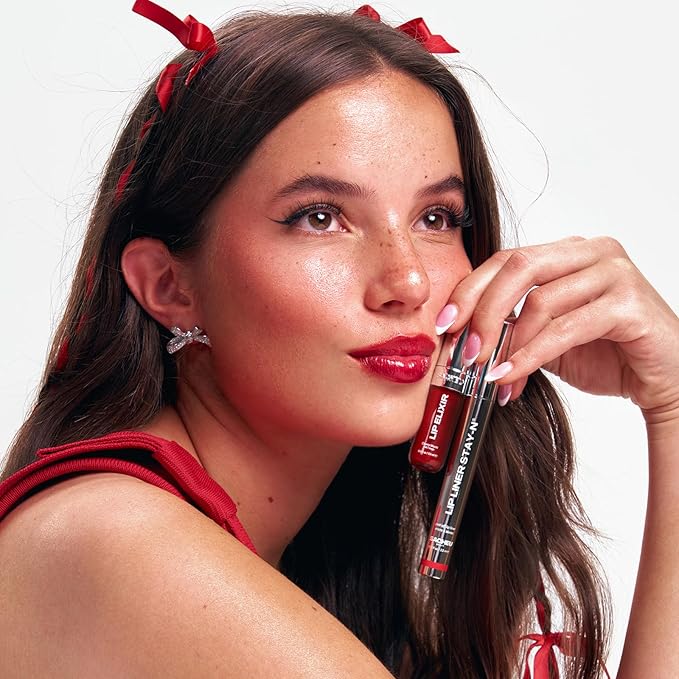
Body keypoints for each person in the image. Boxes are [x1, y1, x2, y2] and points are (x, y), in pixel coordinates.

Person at [1, 2, 677, 677]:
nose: (408, 280)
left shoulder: (299, 561)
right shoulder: (116, 536)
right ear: (169, 286)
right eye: (320, 217)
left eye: (436, 218)